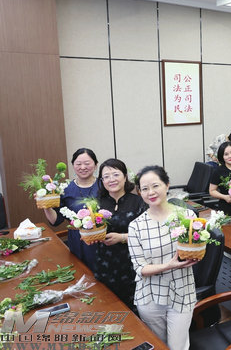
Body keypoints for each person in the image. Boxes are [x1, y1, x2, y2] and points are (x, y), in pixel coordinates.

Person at [128, 165, 197, 349]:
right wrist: (170, 265)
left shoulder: (187, 216)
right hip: (150, 296)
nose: (150, 192)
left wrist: (196, 256)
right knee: (158, 346)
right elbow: (140, 268)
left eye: (155, 186)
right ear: (140, 192)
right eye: (144, 188)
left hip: (182, 292)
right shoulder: (136, 226)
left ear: (167, 185)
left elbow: (196, 248)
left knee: (177, 346)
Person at [95, 158, 147, 311]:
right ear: (102, 181)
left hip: (132, 264)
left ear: (125, 177)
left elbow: (147, 234)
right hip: (104, 265)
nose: (111, 179)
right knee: (108, 307)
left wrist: (122, 237)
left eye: (116, 174)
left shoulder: (138, 202)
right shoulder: (96, 203)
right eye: (106, 176)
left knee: (134, 309)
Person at [42, 148, 100, 272]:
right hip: (76, 240)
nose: (83, 167)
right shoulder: (65, 189)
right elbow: (55, 221)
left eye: (87, 163)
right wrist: (46, 206)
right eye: (78, 164)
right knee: (80, 274)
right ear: (73, 165)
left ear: (96, 165)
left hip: (100, 240)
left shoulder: (104, 186)